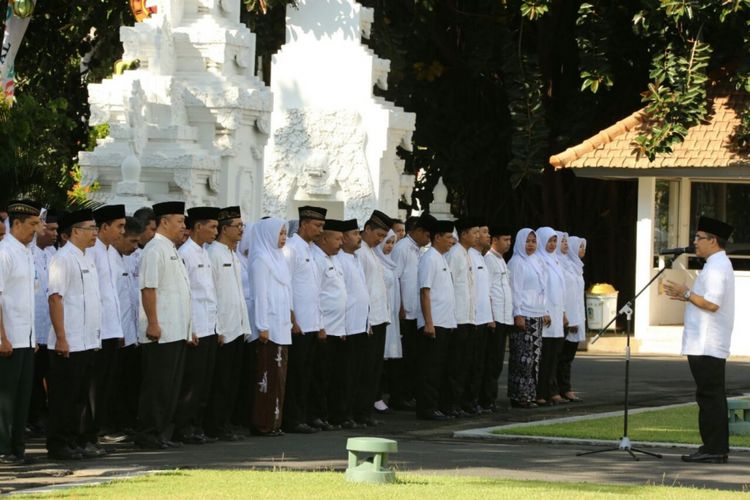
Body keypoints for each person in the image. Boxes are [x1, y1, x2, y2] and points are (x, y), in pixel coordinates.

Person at [664, 216, 735, 464]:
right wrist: (687, 296)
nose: (695, 242)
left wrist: (685, 292)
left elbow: (712, 304)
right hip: (704, 341)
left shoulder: (717, 267)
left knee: (709, 396)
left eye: (699, 238)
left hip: (707, 342)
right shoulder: (715, 264)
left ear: (713, 241)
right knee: (709, 395)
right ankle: (714, 447)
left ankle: (713, 449)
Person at [46, 209, 103, 460]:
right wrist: (61, 336)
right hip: (68, 340)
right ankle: (58, 444)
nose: (95, 233)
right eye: (91, 228)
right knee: (63, 397)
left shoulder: (87, 257)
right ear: (76, 232)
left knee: (79, 396)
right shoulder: (63, 258)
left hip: (87, 340)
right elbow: (56, 298)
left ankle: (75, 441)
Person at [136, 201, 191, 449]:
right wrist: (153, 323)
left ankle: (162, 433)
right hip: (161, 331)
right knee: (157, 387)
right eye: (179, 221)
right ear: (165, 222)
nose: (183, 226)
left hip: (177, 330)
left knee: (170, 387)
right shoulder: (154, 249)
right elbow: (149, 288)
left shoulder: (171, 249)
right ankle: (149, 433)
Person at [0, 200, 42, 464]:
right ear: (16, 223)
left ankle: (18, 448)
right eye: (32, 224)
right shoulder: (5, 252)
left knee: (22, 396)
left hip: (25, 337)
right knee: (5, 399)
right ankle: (3, 449)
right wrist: (2, 337)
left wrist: (33, 335)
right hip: (9, 338)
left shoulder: (27, 252)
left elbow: (28, 297)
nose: (36, 229)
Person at [174, 207, 220, 444]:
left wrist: (217, 325)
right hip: (196, 327)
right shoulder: (186, 253)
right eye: (211, 226)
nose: (215, 231)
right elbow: (186, 294)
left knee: (204, 381)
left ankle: (197, 425)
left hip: (209, 324)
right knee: (191, 382)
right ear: (198, 227)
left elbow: (211, 292)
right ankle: (184, 426)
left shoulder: (204, 252)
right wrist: (189, 327)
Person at [206, 206, 251, 441]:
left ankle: (225, 422)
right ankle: (215, 425)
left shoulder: (233, 254)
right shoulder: (213, 253)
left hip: (237, 326)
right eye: (237, 226)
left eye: (242, 225)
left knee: (232, 380)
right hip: (223, 327)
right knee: (221, 381)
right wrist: (218, 327)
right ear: (225, 229)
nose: (241, 229)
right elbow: (211, 293)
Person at [283, 206, 326, 434]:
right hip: (297, 325)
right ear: (303, 224)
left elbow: (315, 291)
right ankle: (292, 418)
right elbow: (287, 285)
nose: (320, 231)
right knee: (297, 375)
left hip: (311, 323)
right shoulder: (292, 248)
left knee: (307, 374)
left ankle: (304, 415)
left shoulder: (311, 250)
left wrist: (319, 324)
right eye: (317, 226)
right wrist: (292, 318)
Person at [249, 217, 292, 436]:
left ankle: (276, 422)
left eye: (285, 233)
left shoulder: (279, 259)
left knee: (279, 378)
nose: (283, 238)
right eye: (280, 233)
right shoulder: (261, 259)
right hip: (269, 328)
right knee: (267, 378)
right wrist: (262, 326)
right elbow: (260, 296)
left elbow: (286, 292)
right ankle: (263, 423)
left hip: (282, 326)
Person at [389, 213, 435, 410]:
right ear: (416, 231)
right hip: (404, 312)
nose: (428, 238)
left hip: (415, 312)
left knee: (414, 357)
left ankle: (408, 394)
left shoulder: (418, 250)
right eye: (426, 234)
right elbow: (396, 279)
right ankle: (398, 397)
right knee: (404, 358)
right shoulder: (402, 248)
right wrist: (399, 306)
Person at [89, 205, 127, 440]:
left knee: (108, 384)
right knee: (94, 385)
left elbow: (115, 294)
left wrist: (120, 329)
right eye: (119, 226)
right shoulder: (91, 252)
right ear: (104, 227)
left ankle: (100, 429)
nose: (122, 232)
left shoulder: (112, 253)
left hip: (113, 327)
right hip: (97, 330)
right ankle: (90, 432)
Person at [415, 220, 456, 420]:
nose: (452, 241)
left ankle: (436, 405)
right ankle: (426, 408)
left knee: (441, 367)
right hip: (435, 322)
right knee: (430, 368)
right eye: (448, 237)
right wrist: (429, 322)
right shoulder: (429, 258)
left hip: (446, 322)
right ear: (437, 237)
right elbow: (425, 291)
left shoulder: (442, 258)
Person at [309, 220, 347, 431]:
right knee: (319, 376)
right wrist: (321, 326)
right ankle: (316, 415)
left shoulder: (334, 259)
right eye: (337, 239)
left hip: (337, 328)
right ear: (324, 239)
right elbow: (316, 296)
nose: (340, 243)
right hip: (324, 328)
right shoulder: (316, 259)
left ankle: (327, 415)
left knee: (332, 376)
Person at [356, 210, 392, 424]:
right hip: (369, 321)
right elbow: (362, 290)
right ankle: (361, 412)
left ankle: (365, 410)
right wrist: (367, 320)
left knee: (374, 369)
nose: (380, 240)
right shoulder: (360, 252)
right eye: (378, 235)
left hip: (379, 318)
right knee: (366, 369)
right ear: (367, 229)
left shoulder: (370, 251)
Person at [333, 219, 370, 428]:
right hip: (347, 326)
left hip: (360, 325)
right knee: (345, 375)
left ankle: (354, 412)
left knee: (357, 374)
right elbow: (343, 295)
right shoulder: (340, 260)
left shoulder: (356, 259)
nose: (359, 238)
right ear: (344, 237)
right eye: (355, 234)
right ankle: (342, 414)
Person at [110, 216, 144, 434]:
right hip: (116, 332)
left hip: (131, 331)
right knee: (115, 383)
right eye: (132, 241)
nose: (135, 247)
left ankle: (125, 423)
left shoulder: (128, 257)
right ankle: (112, 425)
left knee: (128, 382)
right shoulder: (109, 258)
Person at [28, 209, 59, 434]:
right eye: (51, 228)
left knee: (47, 374)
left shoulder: (51, 253)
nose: (54, 233)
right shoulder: (28, 251)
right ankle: (33, 417)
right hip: (32, 326)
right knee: (33, 376)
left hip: (49, 326)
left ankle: (43, 415)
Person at [507, 228, 546, 409]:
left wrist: (544, 310)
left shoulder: (536, 261)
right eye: (527, 241)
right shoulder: (516, 262)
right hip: (524, 315)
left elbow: (541, 289)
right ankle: (519, 395)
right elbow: (515, 290)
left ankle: (530, 394)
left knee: (534, 357)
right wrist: (518, 313)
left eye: (533, 241)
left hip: (536, 314)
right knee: (522, 358)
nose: (530, 245)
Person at [444, 217, 479, 418]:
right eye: (473, 233)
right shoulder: (455, 253)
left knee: (464, 363)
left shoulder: (466, 254)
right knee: (455, 364)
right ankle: (450, 403)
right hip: (457, 317)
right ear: (463, 234)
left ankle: (457, 403)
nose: (476, 236)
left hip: (468, 316)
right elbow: (450, 285)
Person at [481, 225, 514, 412]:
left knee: (497, 361)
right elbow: (488, 291)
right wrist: (491, 317)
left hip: (504, 317)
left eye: (510, 240)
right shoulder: (489, 260)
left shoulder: (501, 260)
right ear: (494, 240)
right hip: (495, 318)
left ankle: (490, 398)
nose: (508, 244)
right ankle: (487, 399)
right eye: (505, 240)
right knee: (491, 361)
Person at [464, 220, 494, 415]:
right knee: (470, 363)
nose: (484, 236)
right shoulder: (470, 257)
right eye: (482, 232)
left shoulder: (481, 257)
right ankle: (467, 401)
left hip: (483, 318)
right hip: (473, 318)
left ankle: (474, 401)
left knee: (480, 364)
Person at [534, 227, 566, 406]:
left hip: (557, 313)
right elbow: (540, 288)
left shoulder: (556, 261)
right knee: (544, 356)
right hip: (545, 314)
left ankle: (550, 390)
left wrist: (563, 312)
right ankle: (540, 392)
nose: (553, 244)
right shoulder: (539, 260)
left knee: (554, 355)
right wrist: (544, 310)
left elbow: (561, 290)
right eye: (549, 241)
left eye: (555, 241)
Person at [557, 235, 586, 403]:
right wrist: (571, 318)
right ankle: (562, 389)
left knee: (568, 357)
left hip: (576, 316)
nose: (582, 250)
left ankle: (565, 388)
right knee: (563, 357)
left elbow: (577, 297)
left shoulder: (574, 266)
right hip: (567, 318)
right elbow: (566, 296)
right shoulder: (562, 265)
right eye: (580, 246)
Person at [374, 229, 401, 413]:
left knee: (385, 360)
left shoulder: (389, 263)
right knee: (376, 359)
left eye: (393, 242)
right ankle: (375, 396)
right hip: (380, 314)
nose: (390, 246)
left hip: (390, 314)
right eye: (387, 242)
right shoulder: (377, 262)